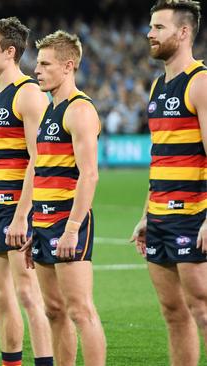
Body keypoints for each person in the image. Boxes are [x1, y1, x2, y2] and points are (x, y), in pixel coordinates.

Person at [131, 1, 207, 365]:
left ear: (184, 32)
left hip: (193, 216)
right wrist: (147, 213)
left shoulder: (201, 83)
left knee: (202, 310)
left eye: (158, 27)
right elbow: (160, 156)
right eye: (150, 26)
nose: (150, 33)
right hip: (160, 217)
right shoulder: (158, 87)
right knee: (173, 314)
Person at [0, 18, 53, 366]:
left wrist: (23, 215)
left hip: (16, 210)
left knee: (28, 293)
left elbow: (38, 161)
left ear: (10, 52)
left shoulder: (29, 94)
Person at [28, 30, 106, 366]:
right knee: (54, 310)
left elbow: (89, 174)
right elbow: (43, 171)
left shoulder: (79, 110)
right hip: (43, 223)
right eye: (37, 63)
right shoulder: (50, 110)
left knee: (80, 310)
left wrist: (72, 227)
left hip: (67, 221)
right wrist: (33, 223)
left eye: (45, 64)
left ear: (68, 66)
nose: (37, 70)